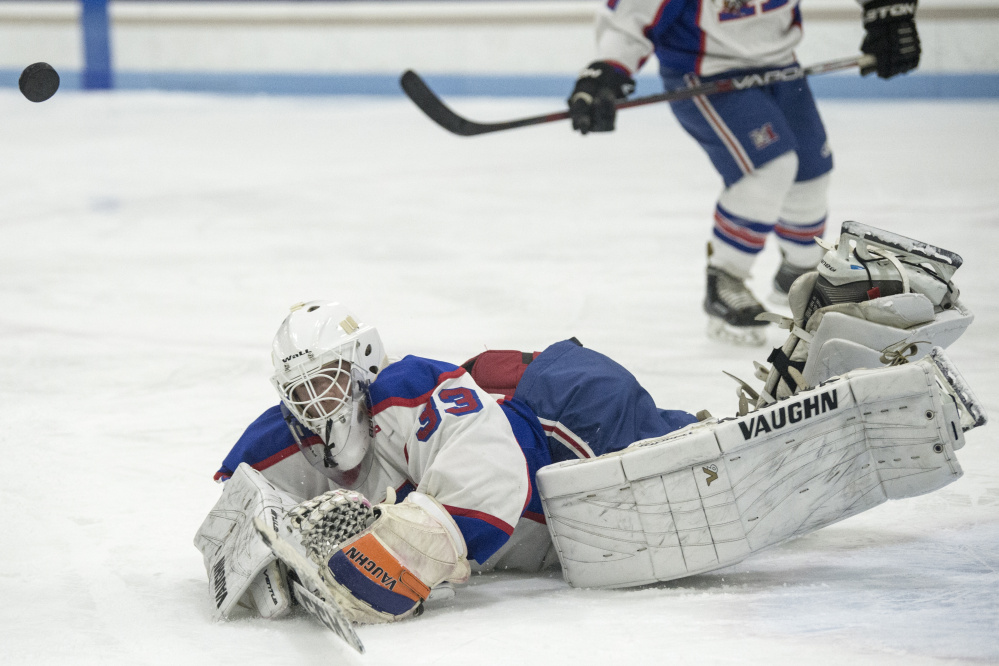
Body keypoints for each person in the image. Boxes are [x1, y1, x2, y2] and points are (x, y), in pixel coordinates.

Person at [193, 224, 983, 630]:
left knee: (735, 467)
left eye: (330, 377)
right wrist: (274, 563)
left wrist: (382, 559)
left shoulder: (404, 389)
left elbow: (488, 485)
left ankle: (871, 307)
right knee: (742, 438)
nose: (317, 402)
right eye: (301, 388)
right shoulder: (287, 437)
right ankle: (841, 322)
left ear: (362, 363)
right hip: (555, 421)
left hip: (560, 405)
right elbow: (234, 514)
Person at [566, 0, 921, 345]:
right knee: (769, 168)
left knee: (811, 178)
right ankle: (725, 279)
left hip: (781, 66)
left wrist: (888, 10)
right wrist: (609, 68)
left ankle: (799, 277)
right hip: (707, 73)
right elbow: (633, 13)